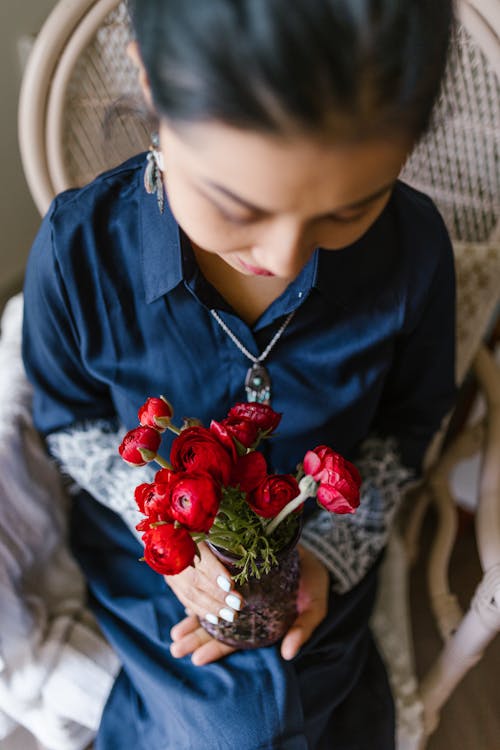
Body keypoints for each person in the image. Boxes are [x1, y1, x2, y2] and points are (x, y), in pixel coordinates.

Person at [22, 1, 457, 747]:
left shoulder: (413, 250)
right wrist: (168, 541)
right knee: (230, 725)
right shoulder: (79, 246)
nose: (288, 259)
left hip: (320, 540)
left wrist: (327, 555)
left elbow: (409, 424)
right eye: (237, 204)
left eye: (347, 211)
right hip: (156, 556)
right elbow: (70, 420)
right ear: (154, 85)